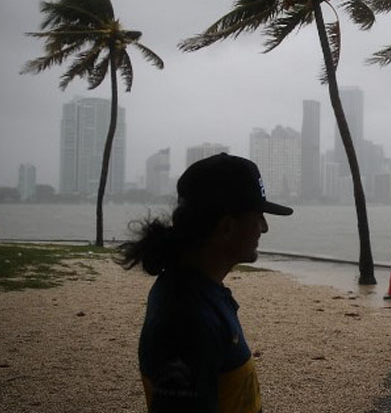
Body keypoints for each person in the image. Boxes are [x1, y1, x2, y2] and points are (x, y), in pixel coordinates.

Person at [116, 153, 294, 413]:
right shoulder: (186, 321)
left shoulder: (199, 291)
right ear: (226, 227)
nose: (264, 228)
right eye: (258, 216)